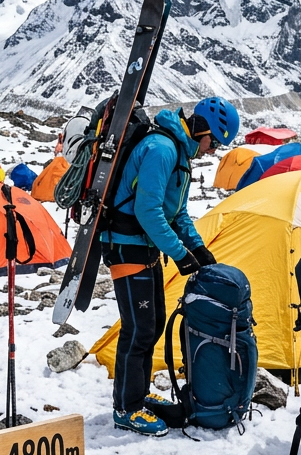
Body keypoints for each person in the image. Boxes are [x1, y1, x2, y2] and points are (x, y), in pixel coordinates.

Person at [102, 96, 238, 436]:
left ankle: (138, 394)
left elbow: (175, 213)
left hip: (144, 247)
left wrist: (198, 247)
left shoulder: (179, 153)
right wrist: (180, 254)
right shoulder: (162, 150)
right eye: (214, 142)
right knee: (139, 329)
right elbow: (149, 212)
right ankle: (127, 408)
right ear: (203, 128)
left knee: (153, 323)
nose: (213, 150)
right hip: (126, 246)